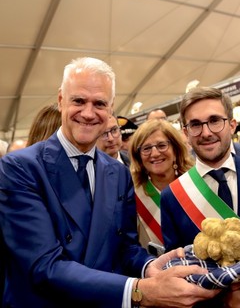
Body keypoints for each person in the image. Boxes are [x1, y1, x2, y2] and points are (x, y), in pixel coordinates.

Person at [0, 57, 220, 307]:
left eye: (100, 103)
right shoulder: (20, 167)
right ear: (61, 100)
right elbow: (43, 266)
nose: (88, 113)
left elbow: (124, 246)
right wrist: (139, 290)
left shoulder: (117, 172)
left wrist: (149, 267)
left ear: (110, 108)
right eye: (79, 101)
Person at [161, 86, 240, 252]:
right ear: (186, 133)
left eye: (214, 121)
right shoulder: (173, 197)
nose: (206, 133)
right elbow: (177, 262)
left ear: (232, 125)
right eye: (196, 124)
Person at [129, 119, 194, 253]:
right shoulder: (132, 197)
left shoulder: (195, 185)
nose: (155, 153)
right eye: (146, 148)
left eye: (162, 145)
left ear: (175, 149)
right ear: (139, 158)